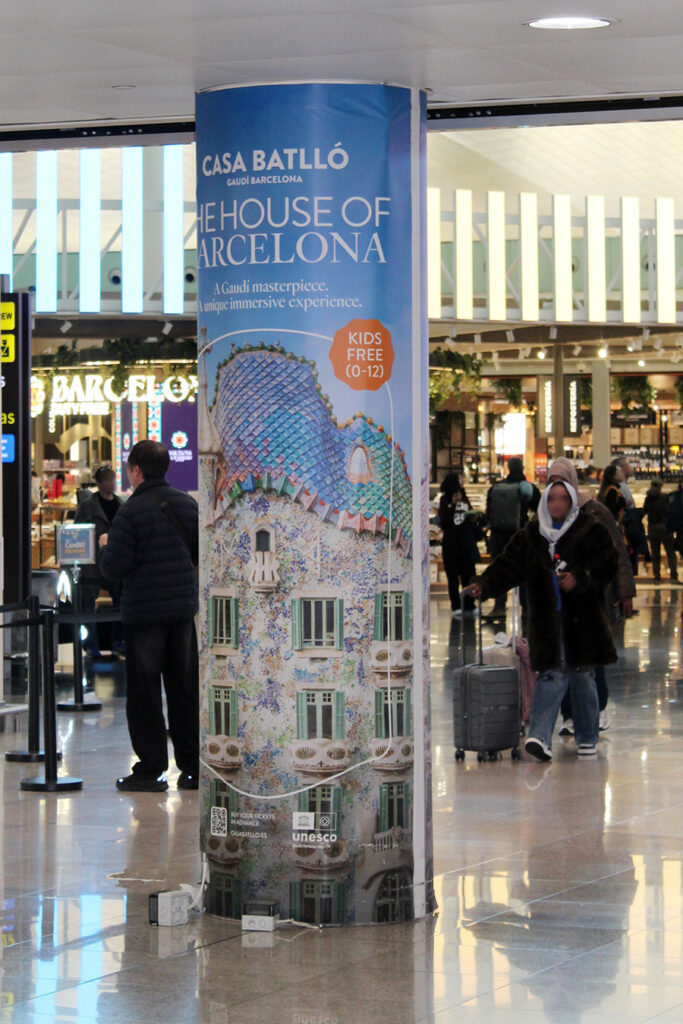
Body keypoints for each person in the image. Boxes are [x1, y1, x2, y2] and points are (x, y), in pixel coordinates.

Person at [464, 480, 618, 760]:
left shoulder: (590, 530)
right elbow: (507, 566)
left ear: (571, 502)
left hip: (583, 619)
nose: (557, 504)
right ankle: (539, 736)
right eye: (552, 499)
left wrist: (579, 578)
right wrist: (483, 586)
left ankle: (587, 736)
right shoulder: (532, 535)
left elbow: (608, 564)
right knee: (552, 671)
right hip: (546, 619)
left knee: (582, 674)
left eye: (563, 499)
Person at [99, 440, 199, 792]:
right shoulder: (188, 505)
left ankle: (151, 769)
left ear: (136, 470)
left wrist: (106, 546)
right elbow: (198, 554)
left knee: (145, 693)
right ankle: (192, 767)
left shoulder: (131, 512)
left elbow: (114, 567)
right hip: (182, 611)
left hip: (145, 614)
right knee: (184, 687)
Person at [546, 457, 636, 734]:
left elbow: (617, 554)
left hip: (593, 597)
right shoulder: (545, 516)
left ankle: (598, 710)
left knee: (591, 655)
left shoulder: (594, 511)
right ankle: (570, 714)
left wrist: (625, 593)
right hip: (560, 602)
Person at [74, 466, 124, 656]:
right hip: (92, 563)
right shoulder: (88, 506)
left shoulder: (120, 504)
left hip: (114, 560)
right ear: (99, 483)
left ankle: (117, 641)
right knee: (88, 603)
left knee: (120, 601)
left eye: (112, 479)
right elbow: (78, 533)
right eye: (107, 480)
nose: (111, 484)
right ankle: (91, 643)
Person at [484, 457, 540, 619]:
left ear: (507, 468)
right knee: (524, 572)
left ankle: (499, 607)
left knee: (499, 570)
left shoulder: (496, 488)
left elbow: (489, 512)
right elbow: (540, 509)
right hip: (521, 536)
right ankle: (526, 609)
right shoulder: (528, 488)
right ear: (522, 468)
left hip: (498, 536)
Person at [438, 472, 481, 619]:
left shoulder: (465, 498)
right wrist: (452, 504)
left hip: (466, 543)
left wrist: (473, 516)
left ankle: (470, 604)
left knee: (469, 575)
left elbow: (469, 515)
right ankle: (456, 605)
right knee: (453, 577)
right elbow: (443, 521)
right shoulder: (444, 500)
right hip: (451, 544)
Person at [644, 479, 680, 583]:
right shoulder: (665, 497)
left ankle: (657, 577)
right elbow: (670, 510)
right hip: (665, 527)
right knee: (671, 553)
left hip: (652, 528)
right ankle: (673, 577)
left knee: (655, 554)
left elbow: (645, 510)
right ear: (661, 487)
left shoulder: (648, 498)